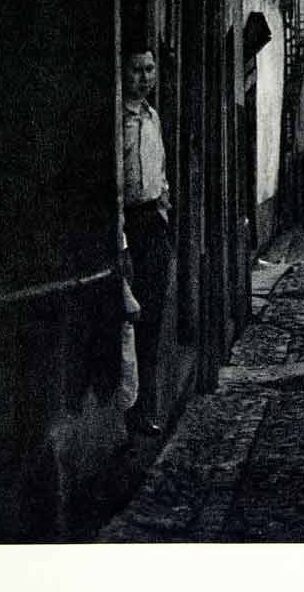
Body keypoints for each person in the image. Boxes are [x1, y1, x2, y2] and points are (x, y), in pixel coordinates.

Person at [121, 42, 173, 436]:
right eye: (138, 70)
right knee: (129, 319)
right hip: (126, 229)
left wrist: (164, 212)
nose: (145, 77)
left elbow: (161, 172)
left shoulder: (154, 118)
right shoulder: (119, 119)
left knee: (152, 319)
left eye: (150, 69)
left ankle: (144, 410)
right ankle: (126, 408)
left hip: (152, 225)